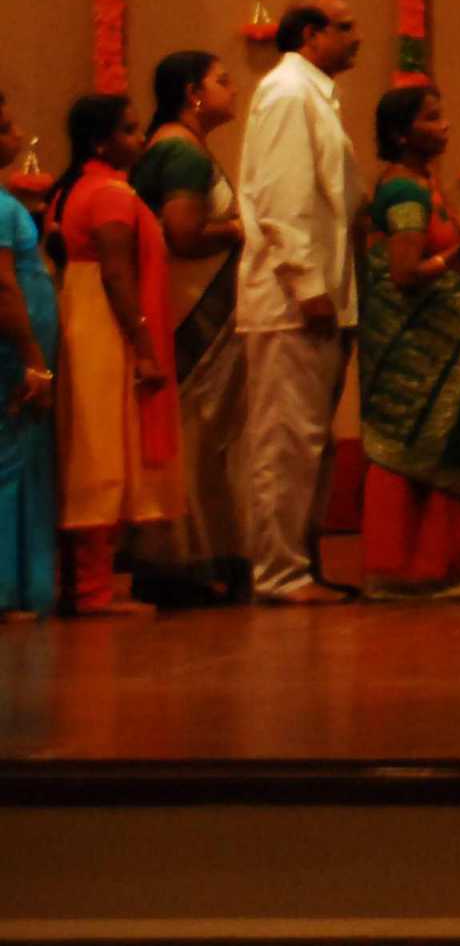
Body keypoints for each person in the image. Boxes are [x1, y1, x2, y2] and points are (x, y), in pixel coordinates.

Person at [234, 0, 361, 605]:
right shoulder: (288, 93)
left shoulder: (311, 94)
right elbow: (280, 199)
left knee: (309, 441)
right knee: (285, 442)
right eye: (345, 27)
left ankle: (299, 563)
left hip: (316, 297)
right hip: (291, 303)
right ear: (310, 34)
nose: (356, 38)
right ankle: (279, 573)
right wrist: (307, 286)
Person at [356, 83, 460, 601]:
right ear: (400, 134)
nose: (445, 125)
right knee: (415, 450)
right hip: (413, 356)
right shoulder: (405, 193)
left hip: (440, 352)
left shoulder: (422, 184)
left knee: (445, 448)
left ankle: (443, 565)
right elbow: (405, 273)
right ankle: (412, 570)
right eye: (432, 118)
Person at [47, 94, 183, 616]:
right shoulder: (108, 194)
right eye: (128, 130)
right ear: (100, 143)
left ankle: (88, 586)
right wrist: (144, 347)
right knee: (98, 454)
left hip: (85, 319)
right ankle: (92, 591)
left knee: (91, 449)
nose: (140, 139)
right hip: (105, 329)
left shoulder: (77, 189)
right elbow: (117, 275)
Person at [129, 50, 250, 603]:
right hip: (188, 312)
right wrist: (240, 230)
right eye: (222, 81)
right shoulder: (179, 152)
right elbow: (183, 234)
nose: (234, 88)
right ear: (192, 94)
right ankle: (182, 563)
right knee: (194, 436)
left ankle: (197, 558)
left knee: (201, 437)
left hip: (190, 306)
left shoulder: (180, 147)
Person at [0, 91, 60, 621]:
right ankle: (7, 590)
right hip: (13, 351)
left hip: (18, 347)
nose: (17, 136)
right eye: (5, 129)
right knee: (11, 464)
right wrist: (33, 356)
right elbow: (3, 287)